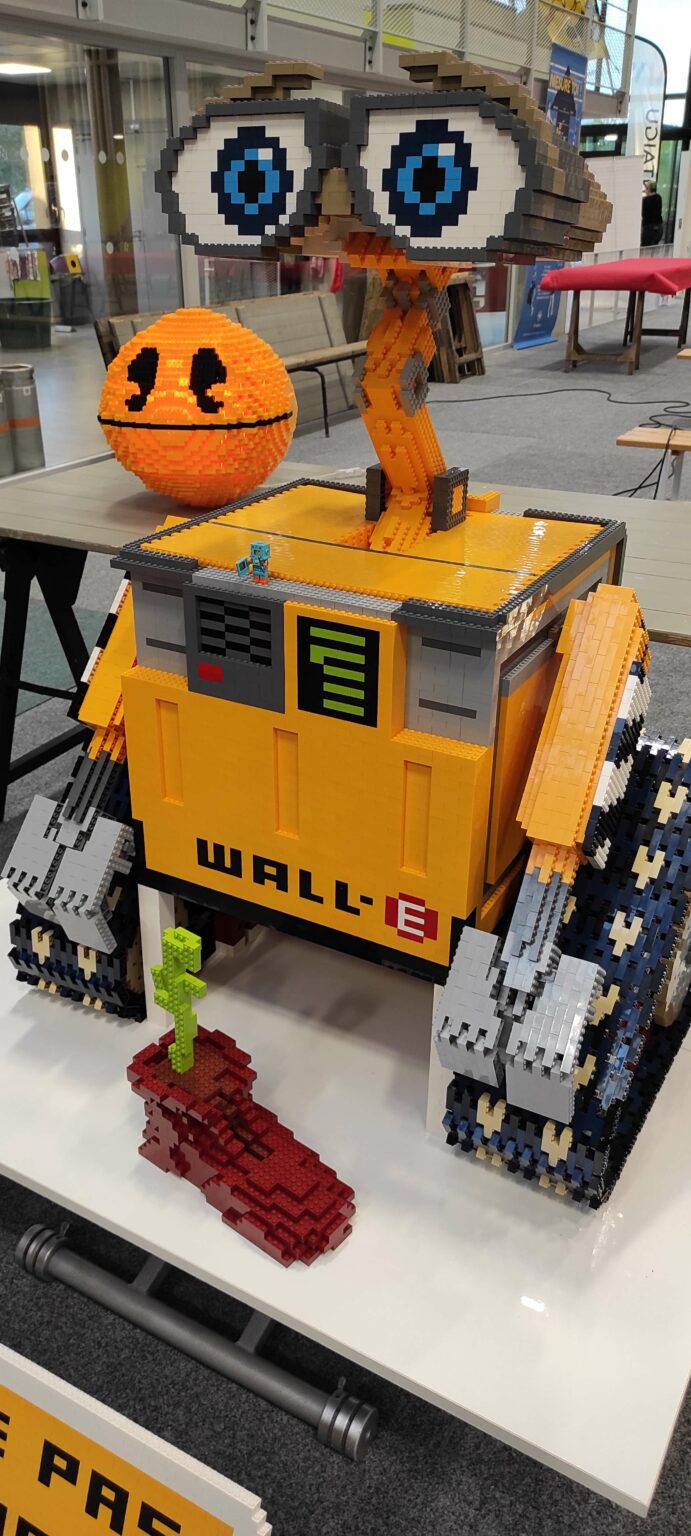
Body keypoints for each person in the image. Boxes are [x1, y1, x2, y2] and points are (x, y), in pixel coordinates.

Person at [641, 180, 663, 247]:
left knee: (645, 249)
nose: (645, 191)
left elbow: (642, 214)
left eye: (645, 189)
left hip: (649, 229)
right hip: (659, 228)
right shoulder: (659, 197)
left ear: (648, 189)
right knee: (654, 249)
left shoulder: (645, 201)